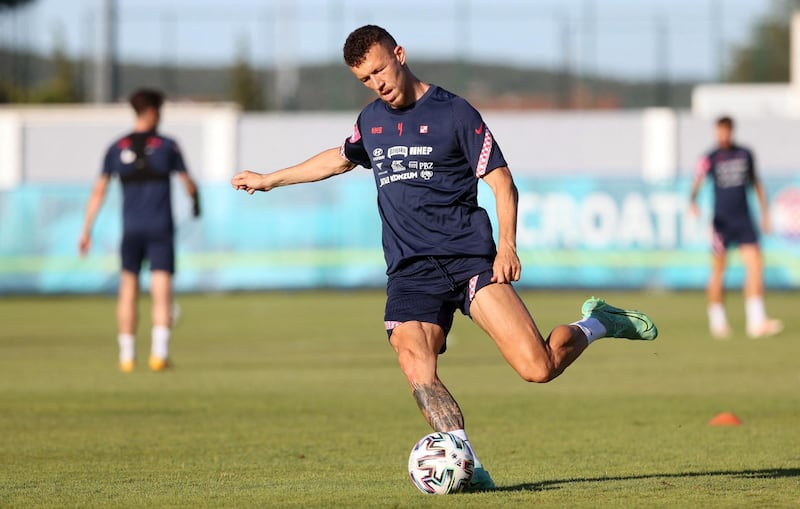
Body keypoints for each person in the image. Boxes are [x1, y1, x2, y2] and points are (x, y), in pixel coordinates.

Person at [231, 25, 657, 491]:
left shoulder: (453, 111)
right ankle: (466, 464)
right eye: (365, 79)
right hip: (411, 273)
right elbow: (338, 158)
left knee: (538, 368)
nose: (377, 83)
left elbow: (501, 182)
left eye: (380, 70)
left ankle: (598, 322)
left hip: (469, 260)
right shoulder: (370, 121)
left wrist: (508, 246)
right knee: (415, 363)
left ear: (399, 54)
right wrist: (270, 179)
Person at [79, 88, 200, 373]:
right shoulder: (169, 146)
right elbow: (188, 184)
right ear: (154, 112)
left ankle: (127, 357)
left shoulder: (115, 147)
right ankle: (158, 355)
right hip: (160, 228)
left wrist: (86, 229)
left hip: (130, 229)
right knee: (161, 291)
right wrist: (196, 202)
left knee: (128, 291)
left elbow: (99, 191)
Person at [690, 116, 782, 339]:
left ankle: (756, 321)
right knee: (719, 271)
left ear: (731, 131)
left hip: (744, 219)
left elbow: (756, 183)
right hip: (721, 222)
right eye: (719, 132)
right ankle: (718, 320)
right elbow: (697, 182)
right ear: (716, 132)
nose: (723, 136)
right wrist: (692, 202)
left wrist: (765, 213)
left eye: (726, 131)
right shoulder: (710, 157)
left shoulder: (745, 154)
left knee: (755, 266)